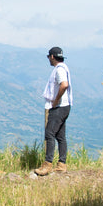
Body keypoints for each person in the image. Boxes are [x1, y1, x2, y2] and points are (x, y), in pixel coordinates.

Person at [34, 46, 72, 176]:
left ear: (52, 56)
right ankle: (62, 164)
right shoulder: (64, 67)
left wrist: (56, 100)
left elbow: (64, 84)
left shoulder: (59, 70)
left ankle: (47, 164)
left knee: (49, 133)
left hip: (59, 107)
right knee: (60, 136)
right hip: (65, 107)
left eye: (48, 57)